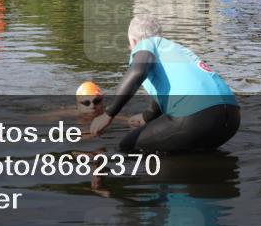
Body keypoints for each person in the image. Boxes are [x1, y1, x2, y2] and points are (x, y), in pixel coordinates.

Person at [90, 15, 240, 153]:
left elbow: (138, 71)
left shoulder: (145, 44)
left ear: (134, 41)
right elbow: (170, 88)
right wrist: (147, 117)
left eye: (130, 45)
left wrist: (108, 115)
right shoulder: (176, 49)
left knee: (128, 146)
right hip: (231, 119)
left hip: (196, 118)